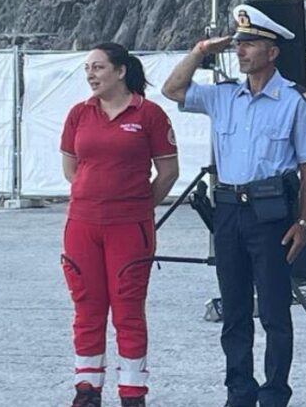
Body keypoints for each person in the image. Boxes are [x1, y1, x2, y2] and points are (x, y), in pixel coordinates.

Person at [162, 5, 306, 407]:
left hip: (270, 214)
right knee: (234, 310)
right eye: (238, 44)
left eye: (250, 43)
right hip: (228, 211)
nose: (240, 51)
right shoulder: (223, 96)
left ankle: (274, 394)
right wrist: (201, 50)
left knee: (273, 311)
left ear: (272, 52)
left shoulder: (294, 101)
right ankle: (239, 392)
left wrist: (304, 223)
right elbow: (172, 89)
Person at [61, 43, 179, 407]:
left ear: (121, 70)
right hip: (82, 224)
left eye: (98, 67)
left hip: (129, 227)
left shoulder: (149, 114)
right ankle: (87, 388)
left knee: (128, 309)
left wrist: (136, 205)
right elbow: (71, 169)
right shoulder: (79, 114)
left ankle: (132, 392)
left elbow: (169, 173)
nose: (91, 75)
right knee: (87, 306)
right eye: (87, 69)